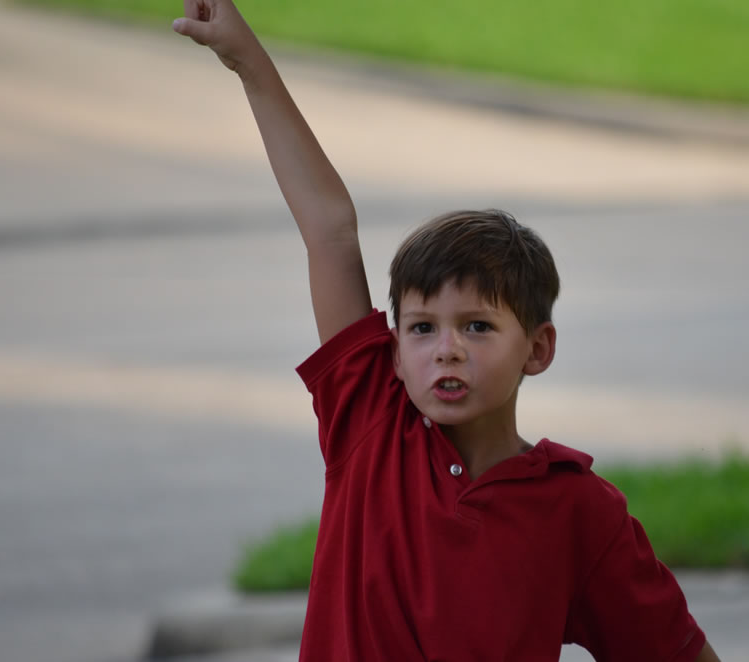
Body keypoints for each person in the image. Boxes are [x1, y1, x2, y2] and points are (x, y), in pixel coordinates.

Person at [173, 2, 720, 660]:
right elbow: (329, 228)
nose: (447, 349)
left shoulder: (579, 511)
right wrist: (247, 63)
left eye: (478, 326)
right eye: (423, 328)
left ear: (537, 348)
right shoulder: (369, 423)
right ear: (394, 352)